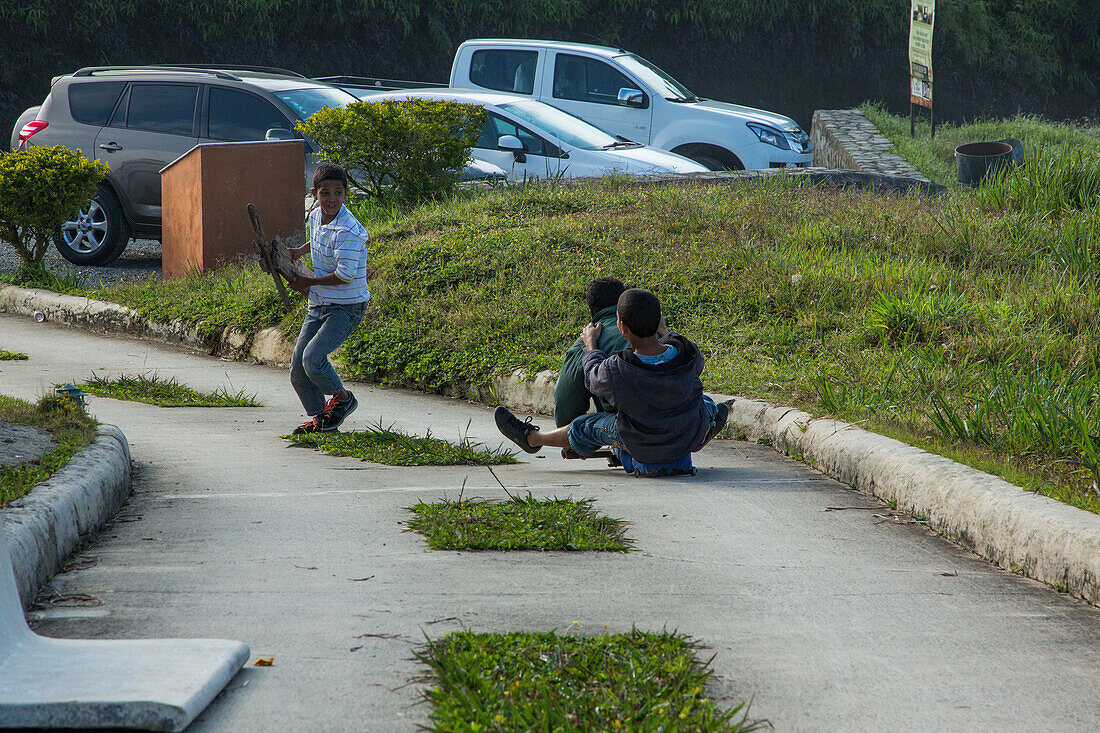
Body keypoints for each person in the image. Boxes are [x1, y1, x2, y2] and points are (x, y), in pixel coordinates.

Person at [495, 288, 729, 471]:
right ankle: (704, 429)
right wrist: (665, 332)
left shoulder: (619, 368)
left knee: (584, 426)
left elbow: (593, 376)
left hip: (640, 441)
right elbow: (685, 351)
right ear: (658, 320)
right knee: (706, 403)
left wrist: (590, 345)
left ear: (622, 328)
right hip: (687, 431)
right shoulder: (687, 353)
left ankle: (532, 439)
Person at [286, 163, 370, 434]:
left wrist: (307, 282)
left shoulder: (349, 231)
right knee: (298, 368)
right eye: (325, 193)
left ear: (346, 194)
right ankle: (322, 419)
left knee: (313, 358)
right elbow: (319, 237)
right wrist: (299, 251)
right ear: (315, 194)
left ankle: (343, 399)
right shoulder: (314, 216)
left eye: (337, 193)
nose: (331, 199)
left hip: (346, 307)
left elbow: (344, 275)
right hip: (320, 302)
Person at [553, 277, 629, 427]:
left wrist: (590, 345)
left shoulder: (588, 340)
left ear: (592, 313)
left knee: (577, 428)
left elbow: (566, 405)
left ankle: (534, 438)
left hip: (628, 428)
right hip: (673, 425)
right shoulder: (655, 333)